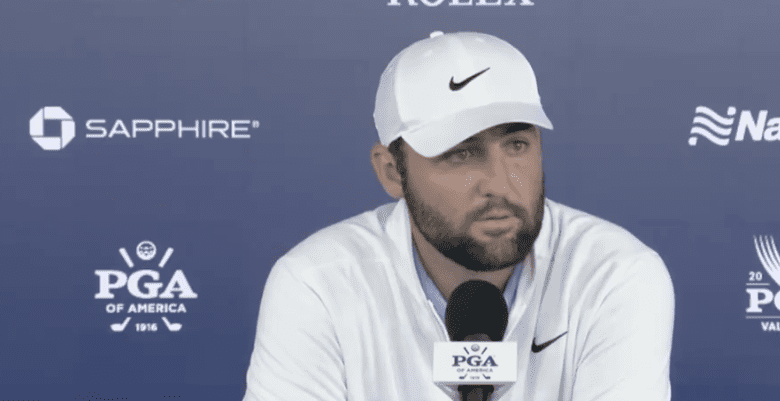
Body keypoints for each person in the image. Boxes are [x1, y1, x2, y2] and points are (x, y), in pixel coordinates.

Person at [243, 31, 675, 401]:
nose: (500, 184)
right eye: (461, 153)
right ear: (392, 172)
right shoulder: (317, 283)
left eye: (517, 145)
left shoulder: (613, 273)